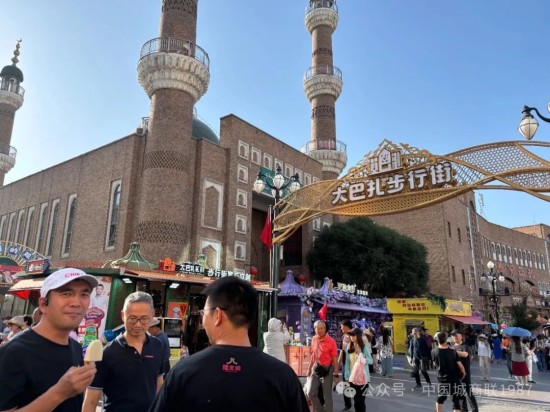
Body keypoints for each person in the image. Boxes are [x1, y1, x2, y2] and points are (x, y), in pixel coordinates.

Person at [149, 276, 308, 411]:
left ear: (218, 315)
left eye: (204, 313)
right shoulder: (284, 377)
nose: (203, 319)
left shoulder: (183, 372)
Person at [0, 268, 98, 411]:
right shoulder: (13, 353)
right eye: (66, 293)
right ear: (43, 304)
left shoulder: (76, 348)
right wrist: (59, 393)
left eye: (84, 294)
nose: (76, 303)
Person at [83, 291, 165, 412]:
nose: (138, 324)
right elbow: (90, 401)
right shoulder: (107, 353)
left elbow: (159, 384)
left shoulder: (158, 346)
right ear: (123, 315)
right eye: (132, 318)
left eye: (144, 319)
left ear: (152, 315)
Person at [307, 319, 339, 412]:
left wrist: (336, 375)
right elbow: (313, 355)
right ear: (315, 329)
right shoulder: (314, 339)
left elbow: (335, 359)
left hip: (327, 369)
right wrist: (309, 368)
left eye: (322, 328)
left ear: (325, 329)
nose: (320, 330)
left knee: (327, 395)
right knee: (310, 393)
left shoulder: (331, 341)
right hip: (316, 367)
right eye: (318, 328)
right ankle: (320, 410)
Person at [432, 331, 466, 412]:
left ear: (437, 340)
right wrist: (464, 373)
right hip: (453, 379)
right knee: (455, 400)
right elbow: (460, 365)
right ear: (446, 340)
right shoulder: (453, 351)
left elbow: (434, 364)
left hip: (441, 379)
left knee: (440, 398)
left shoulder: (433, 351)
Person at [343, 327, 373, 412]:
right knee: (356, 401)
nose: (351, 337)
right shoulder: (349, 347)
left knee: (360, 402)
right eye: (350, 335)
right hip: (353, 379)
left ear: (358, 336)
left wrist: (360, 355)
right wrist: (347, 376)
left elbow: (370, 361)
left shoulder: (364, 348)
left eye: (353, 335)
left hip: (363, 379)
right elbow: (347, 364)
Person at [450, 330, 478, 412]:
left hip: (465, 373)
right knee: (460, 393)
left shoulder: (465, 346)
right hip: (455, 374)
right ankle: (464, 410)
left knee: (469, 392)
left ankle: (475, 410)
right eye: (453, 336)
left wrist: (452, 351)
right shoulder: (452, 347)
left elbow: (465, 354)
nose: (454, 337)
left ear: (461, 336)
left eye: (456, 335)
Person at [338, 319, 353, 411]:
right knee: (345, 384)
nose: (341, 328)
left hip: (353, 364)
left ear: (347, 326)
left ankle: (357, 403)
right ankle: (347, 404)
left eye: (342, 327)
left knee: (354, 384)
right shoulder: (344, 336)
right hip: (345, 364)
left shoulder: (354, 336)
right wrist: (338, 363)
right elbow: (342, 351)